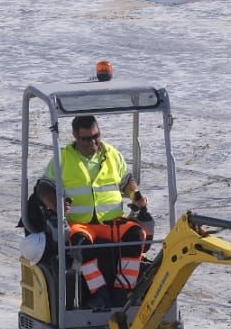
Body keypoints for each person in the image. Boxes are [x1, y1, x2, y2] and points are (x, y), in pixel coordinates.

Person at [35, 115, 151, 307]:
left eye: (96, 136)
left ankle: (123, 290)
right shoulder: (63, 159)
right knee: (82, 244)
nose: (94, 142)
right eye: (87, 138)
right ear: (75, 136)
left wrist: (136, 196)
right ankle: (100, 292)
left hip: (113, 223)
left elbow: (127, 181)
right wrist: (56, 204)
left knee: (137, 234)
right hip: (81, 225)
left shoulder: (112, 154)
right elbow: (44, 188)